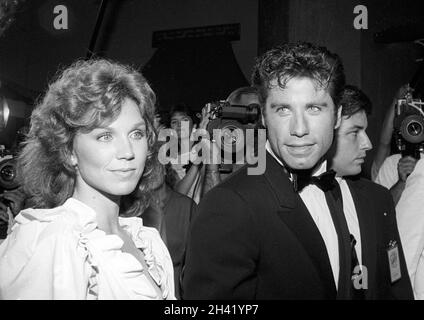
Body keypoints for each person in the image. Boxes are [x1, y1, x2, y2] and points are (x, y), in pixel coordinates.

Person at [182, 43, 413, 299]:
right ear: (264, 117)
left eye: (314, 108)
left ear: (336, 116)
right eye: (283, 109)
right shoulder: (230, 204)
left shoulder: (371, 197)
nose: (299, 128)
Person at [0, 59, 175, 300]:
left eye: (136, 133)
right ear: (68, 150)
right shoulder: (55, 242)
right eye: (105, 136)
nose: (128, 152)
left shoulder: (147, 241)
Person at [328, 84, 412, 298]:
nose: (367, 143)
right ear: (324, 134)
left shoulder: (378, 200)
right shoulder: (291, 200)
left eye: (364, 131)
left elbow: (396, 281)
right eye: (355, 132)